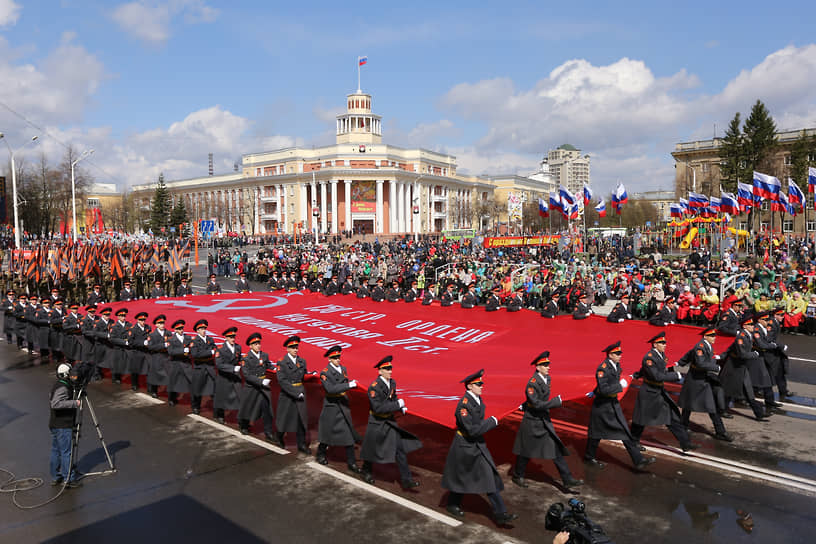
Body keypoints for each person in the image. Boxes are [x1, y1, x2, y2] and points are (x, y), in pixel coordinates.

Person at [441, 369, 518, 525]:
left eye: (481, 383)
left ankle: (500, 513)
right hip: (465, 445)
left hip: (476, 444)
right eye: (478, 384)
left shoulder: (477, 400)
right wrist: (492, 422)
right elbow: (471, 430)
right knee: (462, 476)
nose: (482, 386)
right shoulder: (463, 406)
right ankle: (452, 504)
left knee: (488, 475)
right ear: (469, 386)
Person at [511, 351, 583, 490]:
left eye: (548, 364)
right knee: (526, 451)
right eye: (545, 365)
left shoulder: (547, 379)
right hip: (532, 421)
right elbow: (537, 404)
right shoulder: (532, 384)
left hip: (542, 420)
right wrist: (555, 402)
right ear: (538, 367)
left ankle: (567, 479)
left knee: (555, 449)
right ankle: (517, 475)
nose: (548, 367)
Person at [584, 341, 656, 470]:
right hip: (603, 406)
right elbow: (605, 388)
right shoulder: (603, 368)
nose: (620, 355)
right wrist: (619, 386)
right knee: (596, 433)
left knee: (624, 431)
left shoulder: (616, 366)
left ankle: (638, 460)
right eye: (617, 353)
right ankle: (589, 457)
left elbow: (605, 384)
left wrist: (595, 391)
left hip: (612, 404)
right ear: (610, 355)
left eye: (620, 353)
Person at [360, 355, 422, 488]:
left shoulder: (392, 383)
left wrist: (401, 406)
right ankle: (366, 470)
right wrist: (397, 404)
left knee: (399, 449)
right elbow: (378, 407)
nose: (390, 371)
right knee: (372, 449)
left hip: (389, 421)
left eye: (390, 368)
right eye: (387, 369)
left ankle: (406, 479)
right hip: (377, 421)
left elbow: (393, 398)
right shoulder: (374, 387)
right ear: (380, 371)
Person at [630, 332, 696, 452]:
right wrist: (675, 375)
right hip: (649, 392)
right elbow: (656, 376)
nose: (665, 345)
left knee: (671, 417)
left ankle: (685, 443)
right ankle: (633, 442)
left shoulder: (660, 355)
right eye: (662, 343)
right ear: (655, 345)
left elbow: (647, 370)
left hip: (659, 391)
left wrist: (637, 374)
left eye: (665, 342)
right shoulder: (649, 357)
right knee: (641, 419)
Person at [677, 327, 733, 442]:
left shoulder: (706, 346)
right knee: (690, 405)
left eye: (714, 336)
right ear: (705, 336)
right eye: (712, 336)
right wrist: (715, 367)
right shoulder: (700, 347)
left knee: (708, 406)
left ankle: (720, 431)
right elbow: (700, 363)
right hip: (696, 380)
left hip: (702, 380)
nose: (714, 338)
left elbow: (690, 354)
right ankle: (683, 426)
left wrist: (681, 361)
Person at [315, 345, 363, 474]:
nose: (337, 359)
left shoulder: (343, 369)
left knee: (348, 437)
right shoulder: (325, 373)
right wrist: (348, 385)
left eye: (338, 357)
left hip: (342, 404)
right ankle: (320, 454)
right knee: (327, 435)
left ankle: (351, 463)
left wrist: (351, 384)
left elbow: (344, 383)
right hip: (332, 405)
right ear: (330, 359)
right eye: (335, 358)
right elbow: (330, 389)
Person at [719, 315, 770, 421]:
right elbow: (742, 354)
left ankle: (759, 413)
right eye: (750, 324)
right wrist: (754, 354)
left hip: (741, 367)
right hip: (734, 366)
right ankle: (722, 410)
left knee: (748, 390)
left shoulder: (747, 335)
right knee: (729, 390)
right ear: (745, 326)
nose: (753, 326)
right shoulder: (741, 337)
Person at [275, 335, 312, 453]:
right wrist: (296, 393)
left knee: (301, 420)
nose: (295, 349)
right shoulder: (282, 362)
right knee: (284, 419)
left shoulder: (302, 361)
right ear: (287, 349)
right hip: (288, 394)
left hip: (299, 392)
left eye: (296, 347)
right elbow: (282, 381)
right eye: (292, 347)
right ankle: (279, 437)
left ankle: (301, 444)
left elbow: (303, 375)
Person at [238, 332, 276, 440]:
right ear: (250, 346)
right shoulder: (246, 359)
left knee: (266, 409)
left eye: (259, 343)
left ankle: (268, 432)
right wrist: (260, 382)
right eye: (255, 344)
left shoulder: (264, 355)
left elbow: (269, 365)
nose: (258, 345)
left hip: (263, 388)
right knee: (248, 407)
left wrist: (275, 369)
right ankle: (244, 425)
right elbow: (247, 375)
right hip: (252, 387)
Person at [50, 363, 82, 488]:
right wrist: (75, 403)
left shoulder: (58, 385)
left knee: (56, 451)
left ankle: (55, 476)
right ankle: (69, 479)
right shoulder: (62, 387)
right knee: (65, 452)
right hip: (63, 425)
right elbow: (56, 404)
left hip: (55, 423)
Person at [751, 311, 782, 411]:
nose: (768, 321)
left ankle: (770, 401)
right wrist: (773, 345)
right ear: (760, 320)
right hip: (758, 357)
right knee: (763, 381)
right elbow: (761, 344)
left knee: (767, 380)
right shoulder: (756, 329)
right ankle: (768, 403)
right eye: (766, 319)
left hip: (764, 357)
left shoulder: (763, 328)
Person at [213, 327, 242, 424]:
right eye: (230, 337)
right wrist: (232, 368)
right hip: (224, 376)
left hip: (234, 376)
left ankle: (241, 419)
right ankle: (220, 414)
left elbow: (240, 359)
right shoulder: (220, 349)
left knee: (239, 396)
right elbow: (219, 365)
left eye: (233, 337)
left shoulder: (238, 347)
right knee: (222, 396)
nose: (233, 339)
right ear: (226, 338)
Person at [190, 319, 217, 415]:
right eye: (201, 329)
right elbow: (195, 354)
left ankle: (217, 410)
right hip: (200, 367)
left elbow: (215, 348)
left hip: (209, 367)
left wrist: (213, 351)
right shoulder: (194, 341)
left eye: (204, 328)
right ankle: (196, 406)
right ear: (197, 331)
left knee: (214, 389)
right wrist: (210, 352)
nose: (203, 330)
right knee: (197, 389)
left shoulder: (210, 339)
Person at [167, 319, 192, 407]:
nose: (181, 330)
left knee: (191, 381)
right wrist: (182, 350)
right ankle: (172, 398)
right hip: (176, 363)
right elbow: (170, 351)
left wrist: (189, 351)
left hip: (186, 363)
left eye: (182, 328)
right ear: (175, 330)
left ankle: (193, 400)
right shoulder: (171, 339)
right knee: (173, 382)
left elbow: (191, 348)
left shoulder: (188, 338)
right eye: (179, 329)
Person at [769, 308, 793, 397]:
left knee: (780, 371)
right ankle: (758, 389)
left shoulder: (775, 322)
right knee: (770, 372)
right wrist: (781, 346)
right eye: (781, 315)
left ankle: (783, 390)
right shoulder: (771, 324)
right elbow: (770, 339)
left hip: (776, 351)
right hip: (771, 352)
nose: (783, 317)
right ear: (775, 315)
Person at [146, 315, 171, 399]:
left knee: (168, 375)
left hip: (166, 357)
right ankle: (154, 391)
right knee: (155, 375)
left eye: (163, 323)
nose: (162, 325)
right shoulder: (152, 335)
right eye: (160, 323)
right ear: (156, 325)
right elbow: (150, 347)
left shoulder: (168, 333)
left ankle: (170, 394)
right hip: (156, 356)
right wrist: (163, 345)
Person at [127, 312, 151, 391]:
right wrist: (142, 342)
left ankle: (150, 388)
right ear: (137, 320)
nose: (143, 322)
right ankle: (134, 384)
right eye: (141, 320)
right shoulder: (133, 329)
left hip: (146, 352)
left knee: (148, 370)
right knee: (135, 370)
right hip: (137, 352)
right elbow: (131, 342)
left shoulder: (148, 327)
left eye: (144, 320)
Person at [109, 308, 132, 384]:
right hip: (118, 348)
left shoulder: (129, 325)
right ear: (118, 317)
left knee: (124, 363)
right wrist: (123, 342)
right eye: (121, 316)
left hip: (126, 348)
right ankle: (115, 377)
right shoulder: (114, 326)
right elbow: (112, 339)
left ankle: (121, 375)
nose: (123, 317)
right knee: (117, 363)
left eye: (124, 316)